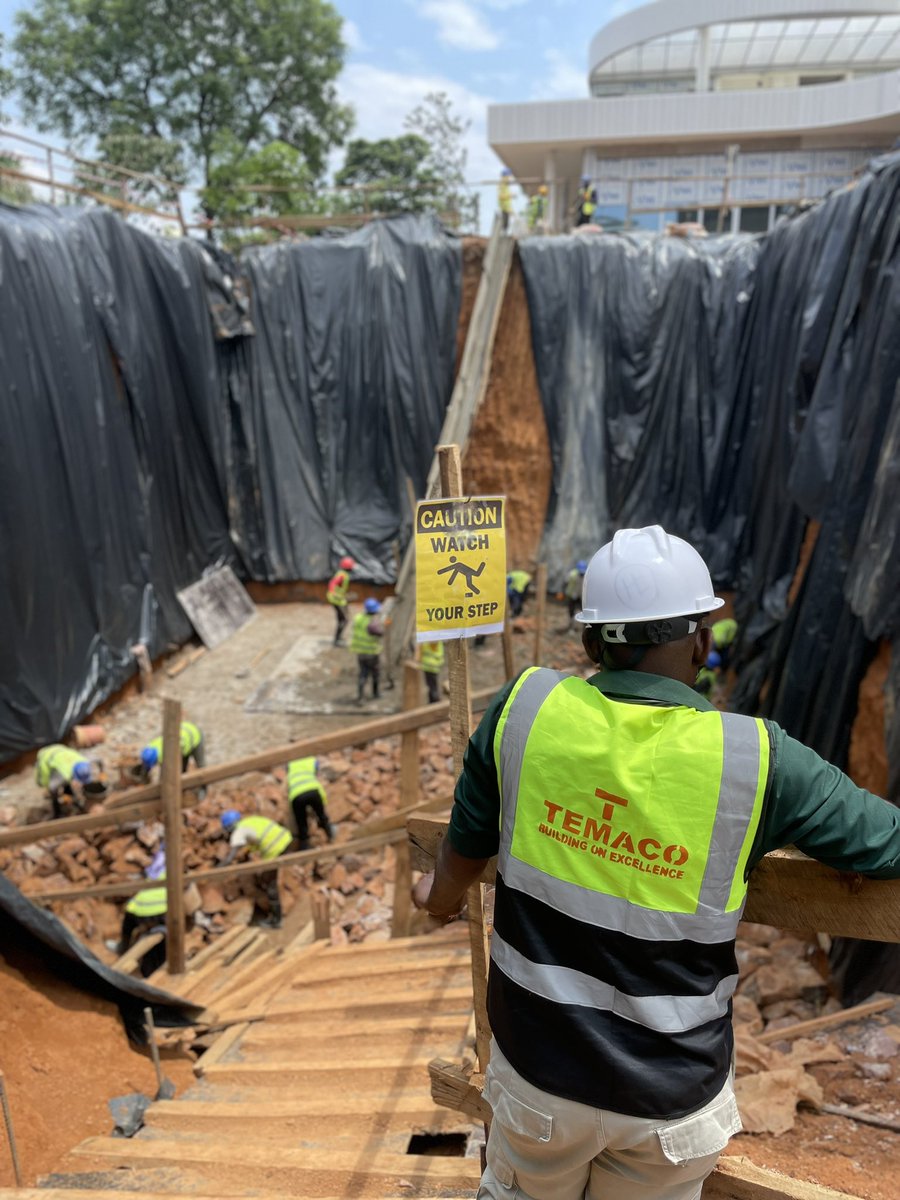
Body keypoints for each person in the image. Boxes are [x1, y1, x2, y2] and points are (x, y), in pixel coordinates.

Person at [413, 524, 900, 1200]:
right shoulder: (757, 759)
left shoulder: (523, 710)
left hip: (539, 1078)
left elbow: (459, 856)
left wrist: (433, 899)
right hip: (669, 1100)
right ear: (700, 640)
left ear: (590, 640)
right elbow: (885, 841)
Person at [221, 809, 296, 928]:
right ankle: (274, 914)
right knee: (265, 877)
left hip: (274, 849)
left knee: (270, 883)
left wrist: (220, 866)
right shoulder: (250, 821)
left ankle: (276, 920)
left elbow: (231, 855)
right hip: (286, 838)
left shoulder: (238, 832)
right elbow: (256, 838)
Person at [113, 853, 168, 977]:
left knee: (128, 921)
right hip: (161, 915)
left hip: (143, 913)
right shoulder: (170, 869)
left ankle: (122, 947)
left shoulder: (155, 867)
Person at [35, 744, 94, 819]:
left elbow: (99, 760)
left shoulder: (84, 761)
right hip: (46, 757)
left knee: (66, 783)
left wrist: (102, 772)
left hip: (60, 750)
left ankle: (70, 797)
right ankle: (57, 812)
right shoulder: (63, 775)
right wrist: (62, 796)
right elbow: (52, 787)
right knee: (52, 788)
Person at [287, 757, 333, 850]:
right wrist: (323, 803)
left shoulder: (291, 763)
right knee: (322, 817)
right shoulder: (312, 759)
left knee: (302, 824)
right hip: (313, 791)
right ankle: (331, 836)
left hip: (296, 795)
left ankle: (304, 848)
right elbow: (316, 772)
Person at [139, 721, 205, 780]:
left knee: (200, 765)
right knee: (182, 768)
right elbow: (147, 763)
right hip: (183, 732)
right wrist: (143, 776)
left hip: (195, 736)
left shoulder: (169, 755)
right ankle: (183, 784)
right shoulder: (151, 746)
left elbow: (166, 773)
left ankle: (203, 787)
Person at [351, 598, 384, 704]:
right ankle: (376, 694)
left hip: (360, 652)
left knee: (363, 674)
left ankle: (360, 697)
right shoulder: (373, 623)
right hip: (371, 653)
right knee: (375, 673)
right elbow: (380, 633)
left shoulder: (358, 618)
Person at [327, 556, 355, 647]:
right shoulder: (342, 575)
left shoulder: (342, 574)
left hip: (339, 599)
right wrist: (335, 594)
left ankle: (338, 638)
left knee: (341, 619)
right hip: (337, 600)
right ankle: (337, 640)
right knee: (344, 619)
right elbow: (332, 583)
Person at [498, 168, 514, 232]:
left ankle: (504, 233)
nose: (509, 178)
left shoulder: (506, 186)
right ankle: (503, 234)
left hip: (506, 208)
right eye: (508, 176)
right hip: (504, 208)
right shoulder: (502, 185)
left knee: (506, 224)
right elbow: (501, 197)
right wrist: (510, 195)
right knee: (504, 224)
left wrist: (510, 209)